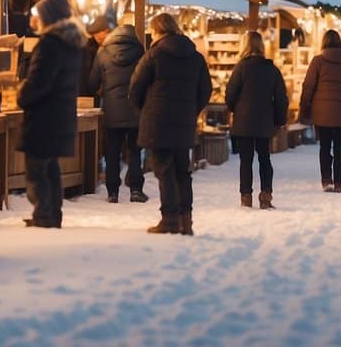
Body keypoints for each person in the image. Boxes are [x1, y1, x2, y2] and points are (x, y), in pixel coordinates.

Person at [130, 13, 212, 235]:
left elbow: (135, 87)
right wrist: (191, 111)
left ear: (157, 31)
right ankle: (186, 220)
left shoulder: (154, 55)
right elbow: (206, 90)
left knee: (164, 171)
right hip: (183, 123)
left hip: (158, 122)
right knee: (182, 171)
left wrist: (145, 111)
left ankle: (170, 219)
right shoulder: (195, 57)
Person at [17, 0, 86, 229]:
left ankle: (44, 215)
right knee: (50, 168)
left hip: (44, 116)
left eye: (37, 14)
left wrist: (22, 94)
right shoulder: (70, 44)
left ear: (48, 17)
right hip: (59, 114)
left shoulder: (50, 44)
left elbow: (39, 81)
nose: (33, 19)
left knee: (37, 170)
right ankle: (52, 213)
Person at [87, 22, 148, 204]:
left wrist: (102, 90)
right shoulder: (140, 52)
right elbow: (147, 79)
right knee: (135, 151)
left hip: (112, 111)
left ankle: (112, 192)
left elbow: (92, 83)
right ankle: (136, 189)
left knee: (112, 151)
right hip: (136, 110)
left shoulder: (103, 52)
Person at [226, 31, 288, 207]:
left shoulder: (241, 68)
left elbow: (230, 93)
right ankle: (266, 196)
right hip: (265, 121)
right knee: (264, 158)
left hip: (243, 120)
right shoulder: (272, 70)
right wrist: (279, 120)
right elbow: (281, 98)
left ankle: (246, 197)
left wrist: (234, 109)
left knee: (245, 160)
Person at [300, 30, 341, 194]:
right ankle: (339, 182)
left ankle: (327, 180)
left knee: (325, 146)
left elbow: (308, 86)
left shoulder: (318, 61)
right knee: (339, 148)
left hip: (322, 112)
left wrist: (305, 108)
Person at [80, 17, 109, 99]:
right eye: (95, 33)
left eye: (100, 31)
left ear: (107, 31)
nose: (97, 35)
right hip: (87, 94)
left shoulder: (108, 48)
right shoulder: (87, 49)